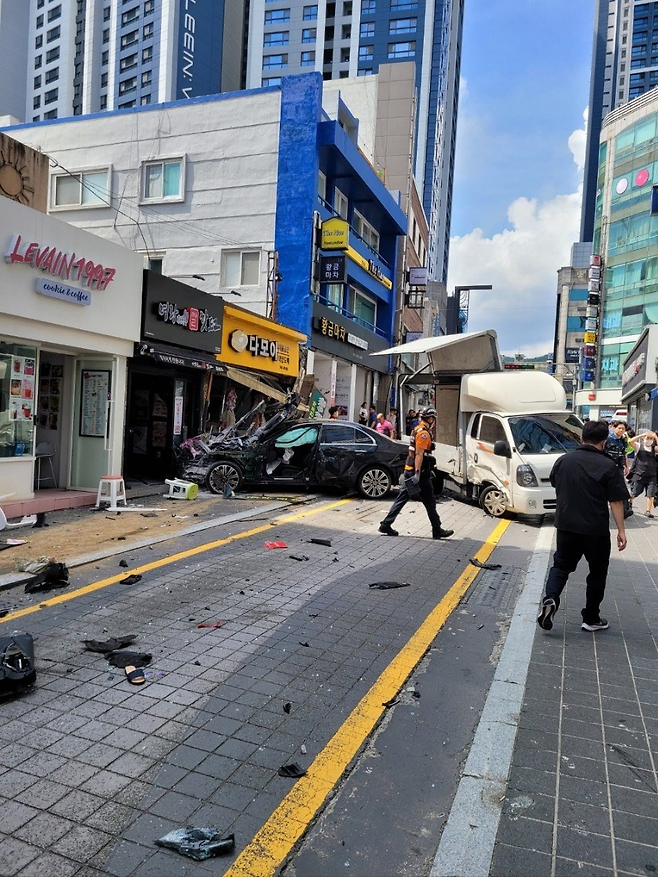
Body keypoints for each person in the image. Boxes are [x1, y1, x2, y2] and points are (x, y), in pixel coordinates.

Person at [537, 419, 628, 635]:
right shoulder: (608, 465)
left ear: (581, 438)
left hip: (566, 526)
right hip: (595, 530)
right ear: (604, 442)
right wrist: (622, 531)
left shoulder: (563, 461)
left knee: (560, 567)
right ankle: (591, 618)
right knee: (597, 572)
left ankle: (551, 597)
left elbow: (556, 483)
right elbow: (616, 502)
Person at [379, 407, 454, 539]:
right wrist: (417, 474)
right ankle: (437, 530)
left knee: (406, 499)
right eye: (434, 419)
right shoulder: (423, 434)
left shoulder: (417, 429)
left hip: (412, 471)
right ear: (430, 419)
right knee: (429, 501)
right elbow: (419, 455)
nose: (434, 422)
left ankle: (386, 524)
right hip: (418, 473)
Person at [627, 430, 658, 517]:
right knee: (636, 492)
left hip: (651, 474)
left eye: (651, 438)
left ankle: (648, 511)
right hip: (639, 473)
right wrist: (641, 435)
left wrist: (656, 437)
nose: (649, 440)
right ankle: (629, 500)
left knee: (651, 493)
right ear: (644, 438)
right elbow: (630, 441)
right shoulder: (638, 446)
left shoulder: (653, 448)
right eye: (648, 438)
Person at [605, 420, 632, 518]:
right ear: (614, 428)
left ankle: (625, 510)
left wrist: (627, 466)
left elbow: (624, 454)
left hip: (619, 467)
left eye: (623, 429)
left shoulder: (623, 440)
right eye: (619, 428)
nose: (621, 430)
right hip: (608, 466)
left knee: (622, 487)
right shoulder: (608, 439)